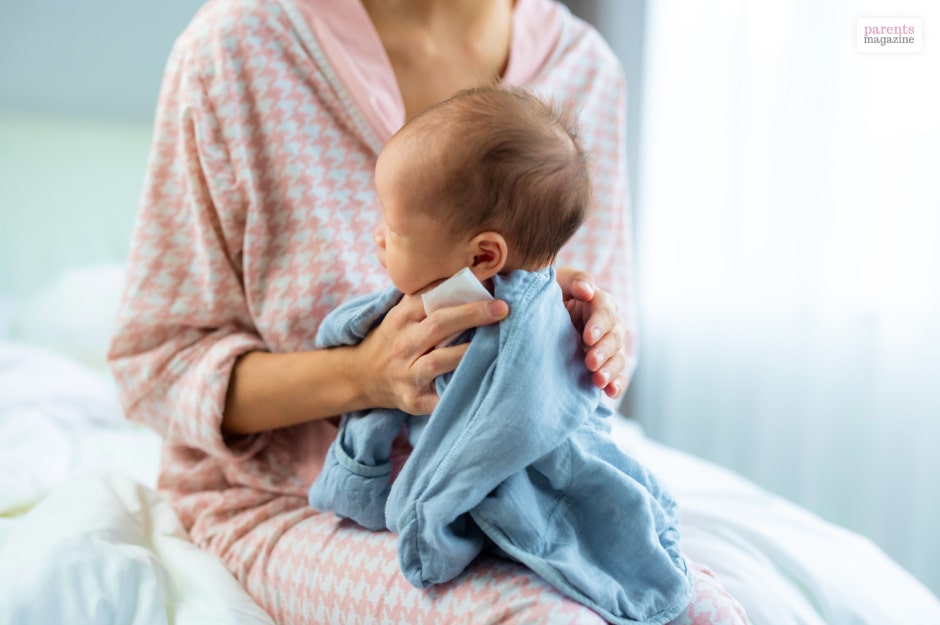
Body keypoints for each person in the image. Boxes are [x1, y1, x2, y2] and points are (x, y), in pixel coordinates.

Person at [107, 0, 748, 623]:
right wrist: (364, 374)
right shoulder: (238, 48)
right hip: (285, 497)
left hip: (522, 490)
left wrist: (581, 324)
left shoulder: (584, 68)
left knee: (702, 606)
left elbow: (606, 345)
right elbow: (155, 368)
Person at [308, 84, 695, 625]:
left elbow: (493, 436)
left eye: (394, 229)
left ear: (484, 254)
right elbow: (352, 336)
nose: (377, 235)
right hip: (453, 489)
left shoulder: (519, 329)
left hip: (537, 484)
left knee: (648, 594)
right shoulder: (452, 291)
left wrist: (425, 522)